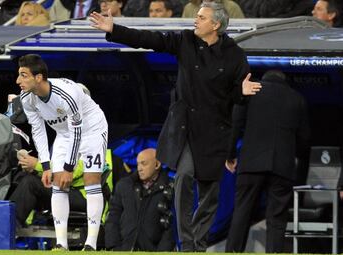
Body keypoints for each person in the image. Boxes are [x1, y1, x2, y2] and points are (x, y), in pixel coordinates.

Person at [90, 1, 261, 251]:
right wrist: (115, 29)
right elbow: (149, 39)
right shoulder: (185, 41)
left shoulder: (234, 54)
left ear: (215, 25)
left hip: (216, 133)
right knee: (183, 177)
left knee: (209, 194)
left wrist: (241, 92)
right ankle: (187, 242)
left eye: (201, 18)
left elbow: (238, 101)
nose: (196, 20)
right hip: (186, 130)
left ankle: (199, 242)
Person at [16, 54, 108, 251]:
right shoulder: (26, 99)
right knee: (57, 184)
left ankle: (90, 244)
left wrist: (68, 168)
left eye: (23, 75)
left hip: (92, 129)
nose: (18, 81)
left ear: (38, 77)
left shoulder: (67, 94)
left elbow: (78, 132)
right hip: (64, 133)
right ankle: (61, 244)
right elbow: (38, 130)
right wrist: (46, 165)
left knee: (92, 180)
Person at [225, 70, 310, 253]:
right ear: (285, 81)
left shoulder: (252, 89)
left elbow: (235, 124)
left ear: (264, 79)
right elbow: (304, 141)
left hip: (251, 163)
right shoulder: (297, 99)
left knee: (242, 212)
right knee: (277, 220)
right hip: (282, 167)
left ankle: (232, 252)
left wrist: (230, 154)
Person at [105, 148, 175, 251]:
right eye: (138, 164)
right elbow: (113, 217)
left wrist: (162, 252)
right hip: (123, 250)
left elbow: (173, 226)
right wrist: (114, 247)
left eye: (144, 163)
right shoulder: (124, 185)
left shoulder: (171, 188)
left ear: (157, 164)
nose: (139, 168)